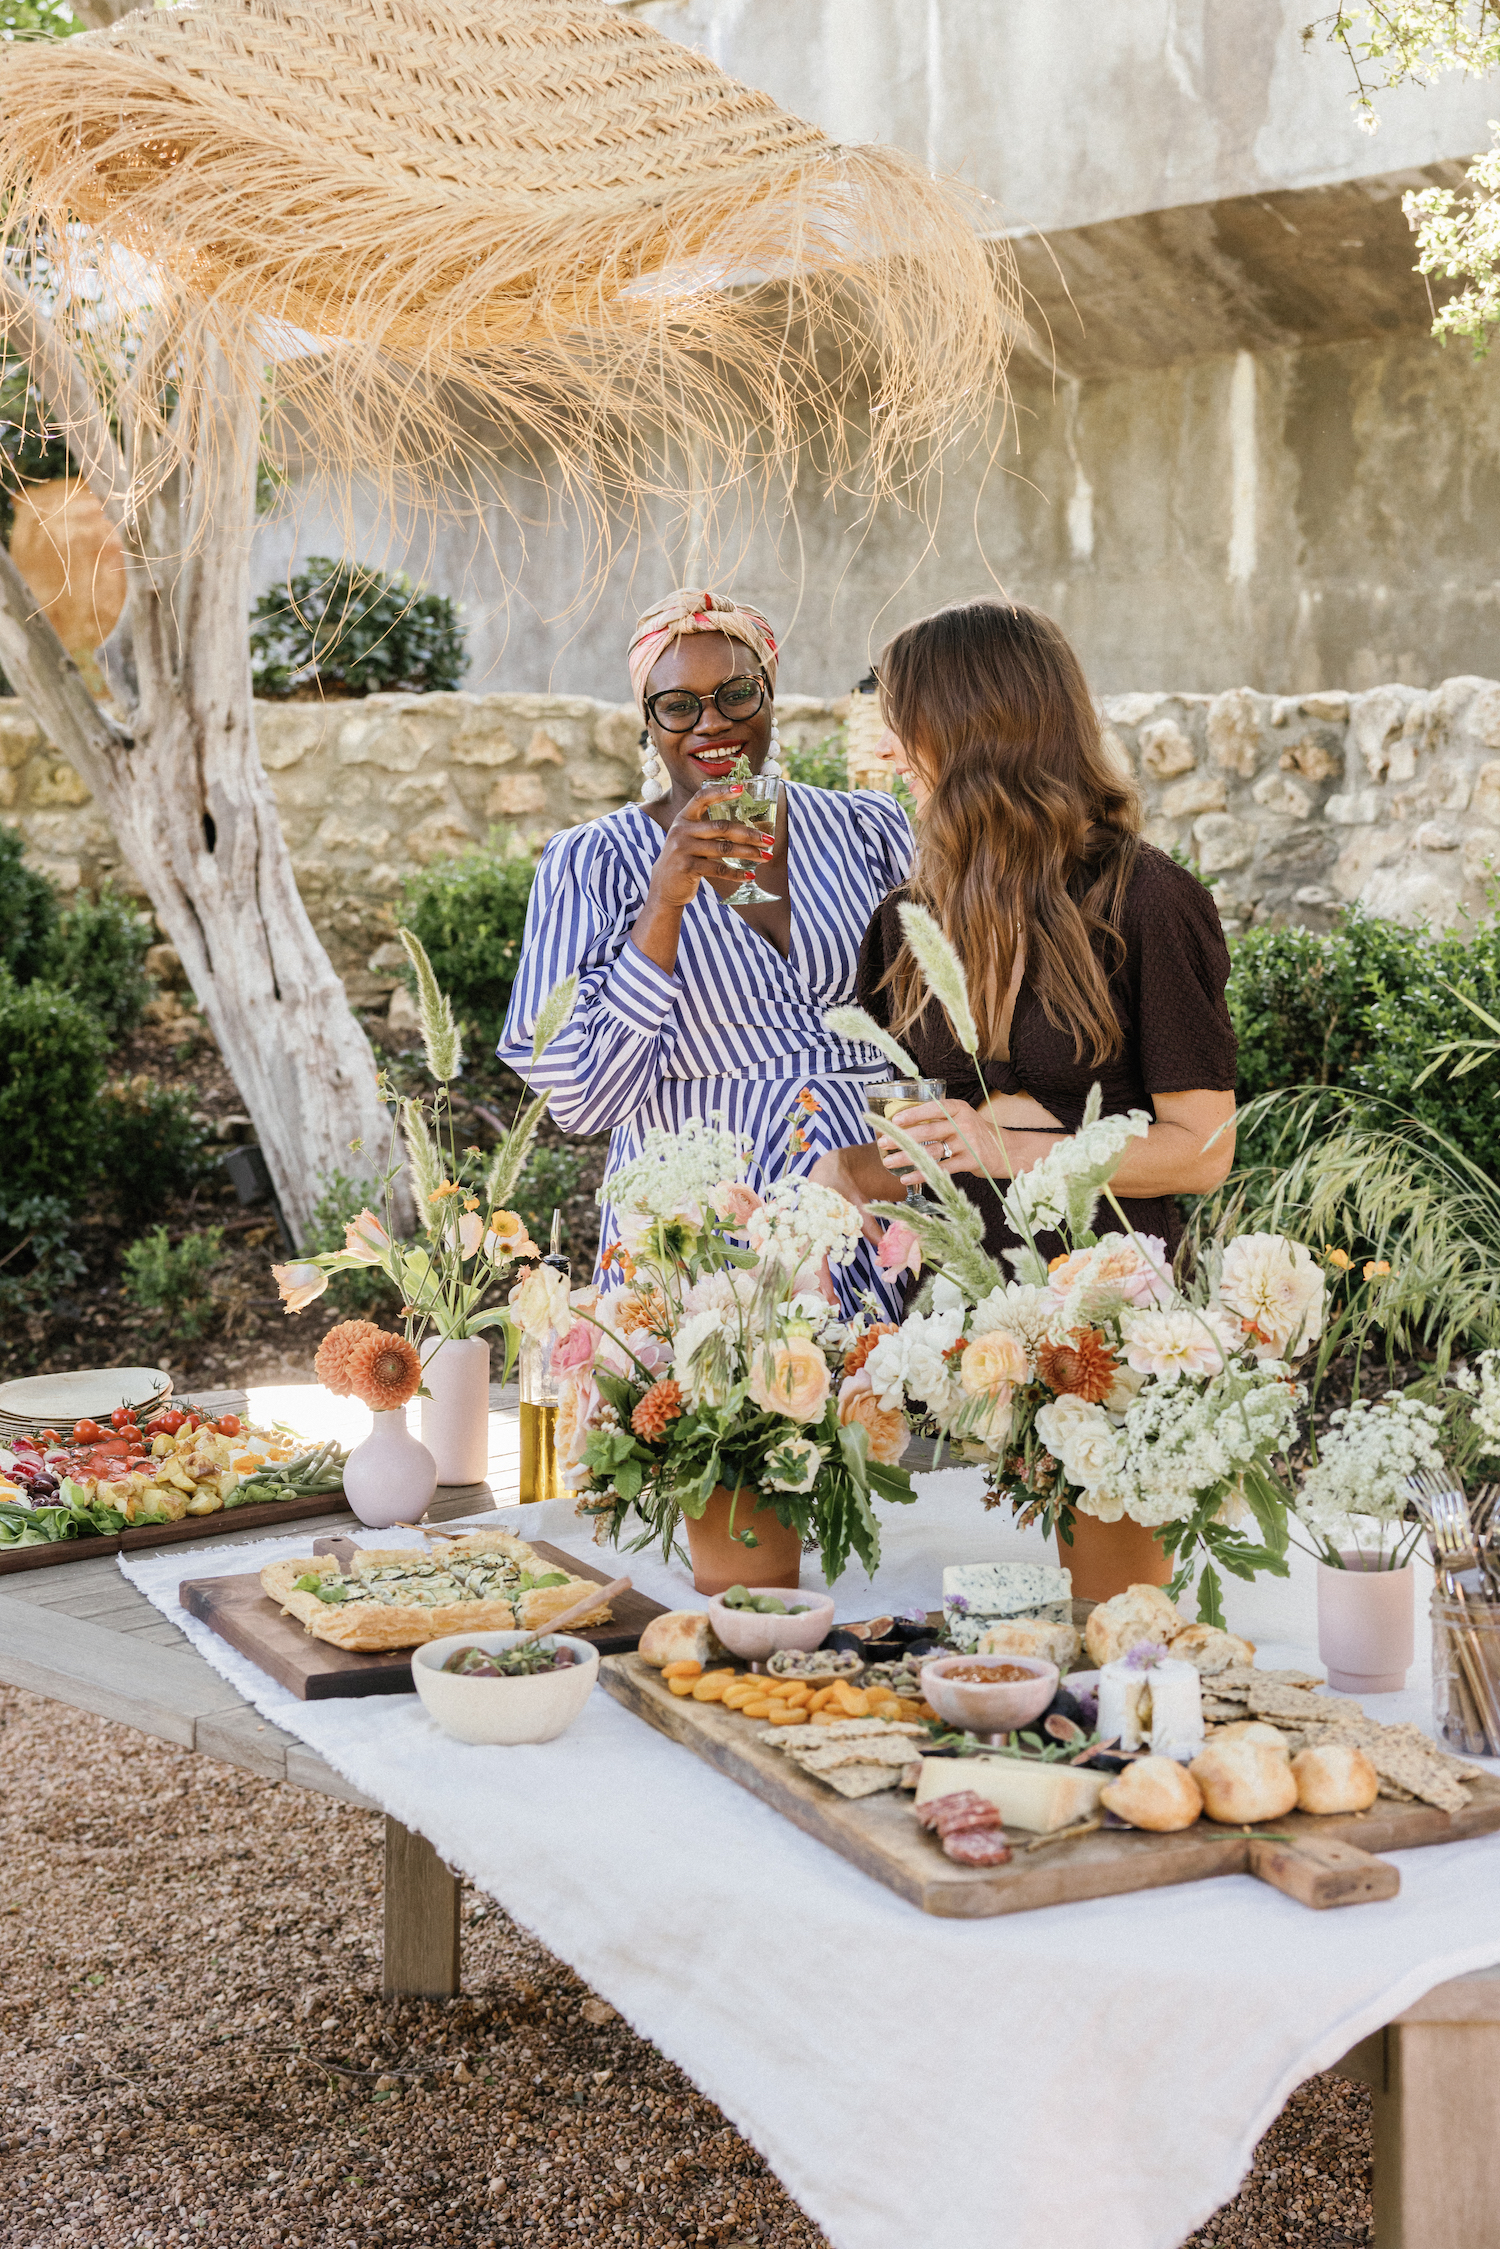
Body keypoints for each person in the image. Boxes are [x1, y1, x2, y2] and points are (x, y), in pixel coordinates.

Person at [498, 588, 914, 1312]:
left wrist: (913, 1178)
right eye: (678, 705)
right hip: (697, 1241)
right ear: (648, 721)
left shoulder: (868, 827)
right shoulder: (590, 862)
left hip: (870, 1215)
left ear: (771, 692)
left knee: (885, 1412)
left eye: (735, 693)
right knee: (715, 1423)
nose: (711, 723)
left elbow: (935, 1028)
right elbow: (582, 1097)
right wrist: (664, 902)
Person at [810, 599, 1238, 1275]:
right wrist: (849, 1169)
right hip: (951, 1325)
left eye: (904, 720)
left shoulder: (1147, 899)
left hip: (1112, 1312)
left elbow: (1203, 1152)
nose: (887, 748)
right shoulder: (906, 922)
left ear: (978, 725)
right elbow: (941, 1151)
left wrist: (1007, 1147)